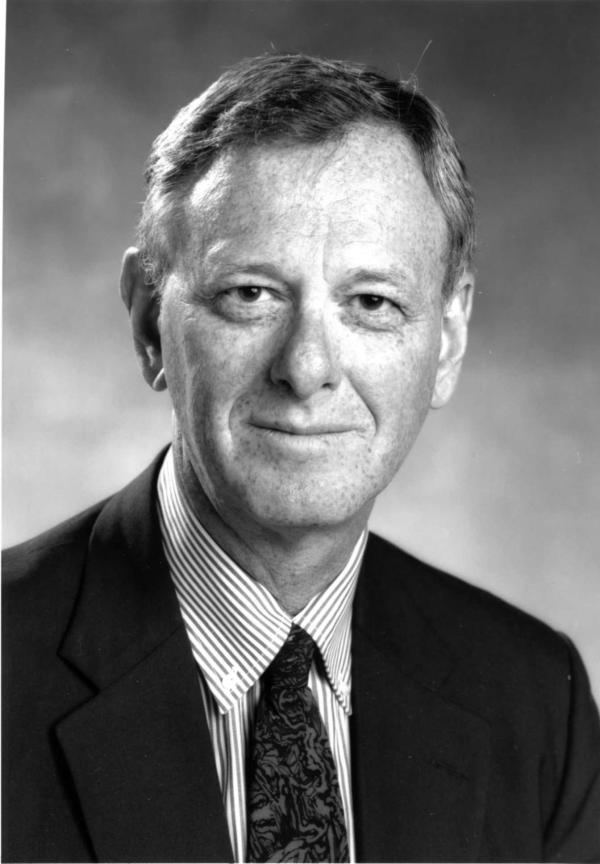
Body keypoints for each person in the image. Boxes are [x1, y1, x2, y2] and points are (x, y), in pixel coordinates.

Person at [3, 53, 599, 864]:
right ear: (149, 322)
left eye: (372, 303)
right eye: (250, 294)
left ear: (449, 339)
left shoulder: (534, 700)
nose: (308, 367)